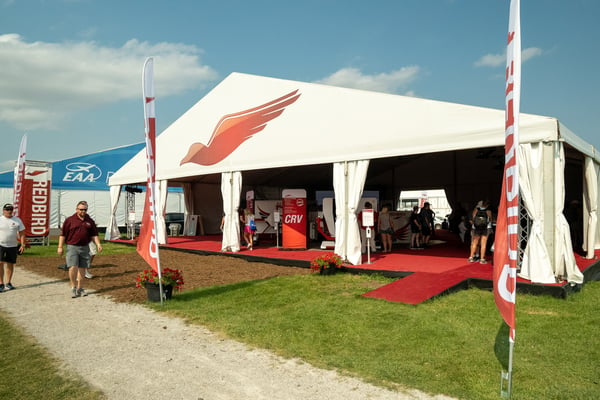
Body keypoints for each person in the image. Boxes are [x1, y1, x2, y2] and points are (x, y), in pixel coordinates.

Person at [57, 201, 102, 298]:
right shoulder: (70, 220)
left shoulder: (89, 221)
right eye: (81, 209)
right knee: (73, 267)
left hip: (85, 247)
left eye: (85, 209)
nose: (83, 211)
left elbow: (94, 234)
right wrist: (60, 247)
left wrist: (98, 244)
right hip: (72, 246)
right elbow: (63, 235)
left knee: (82, 268)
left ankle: (80, 288)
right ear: (77, 209)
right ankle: (73, 287)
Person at [0, 203, 26, 291]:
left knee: (10, 264)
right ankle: (1, 283)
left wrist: (22, 245)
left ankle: (8, 282)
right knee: (0, 263)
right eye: (7, 210)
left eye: (11, 209)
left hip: (12, 246)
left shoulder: (17, 220)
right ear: (3, 211)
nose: (9, 211)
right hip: (1, 245)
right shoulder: (0, 220)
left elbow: (22, 233)